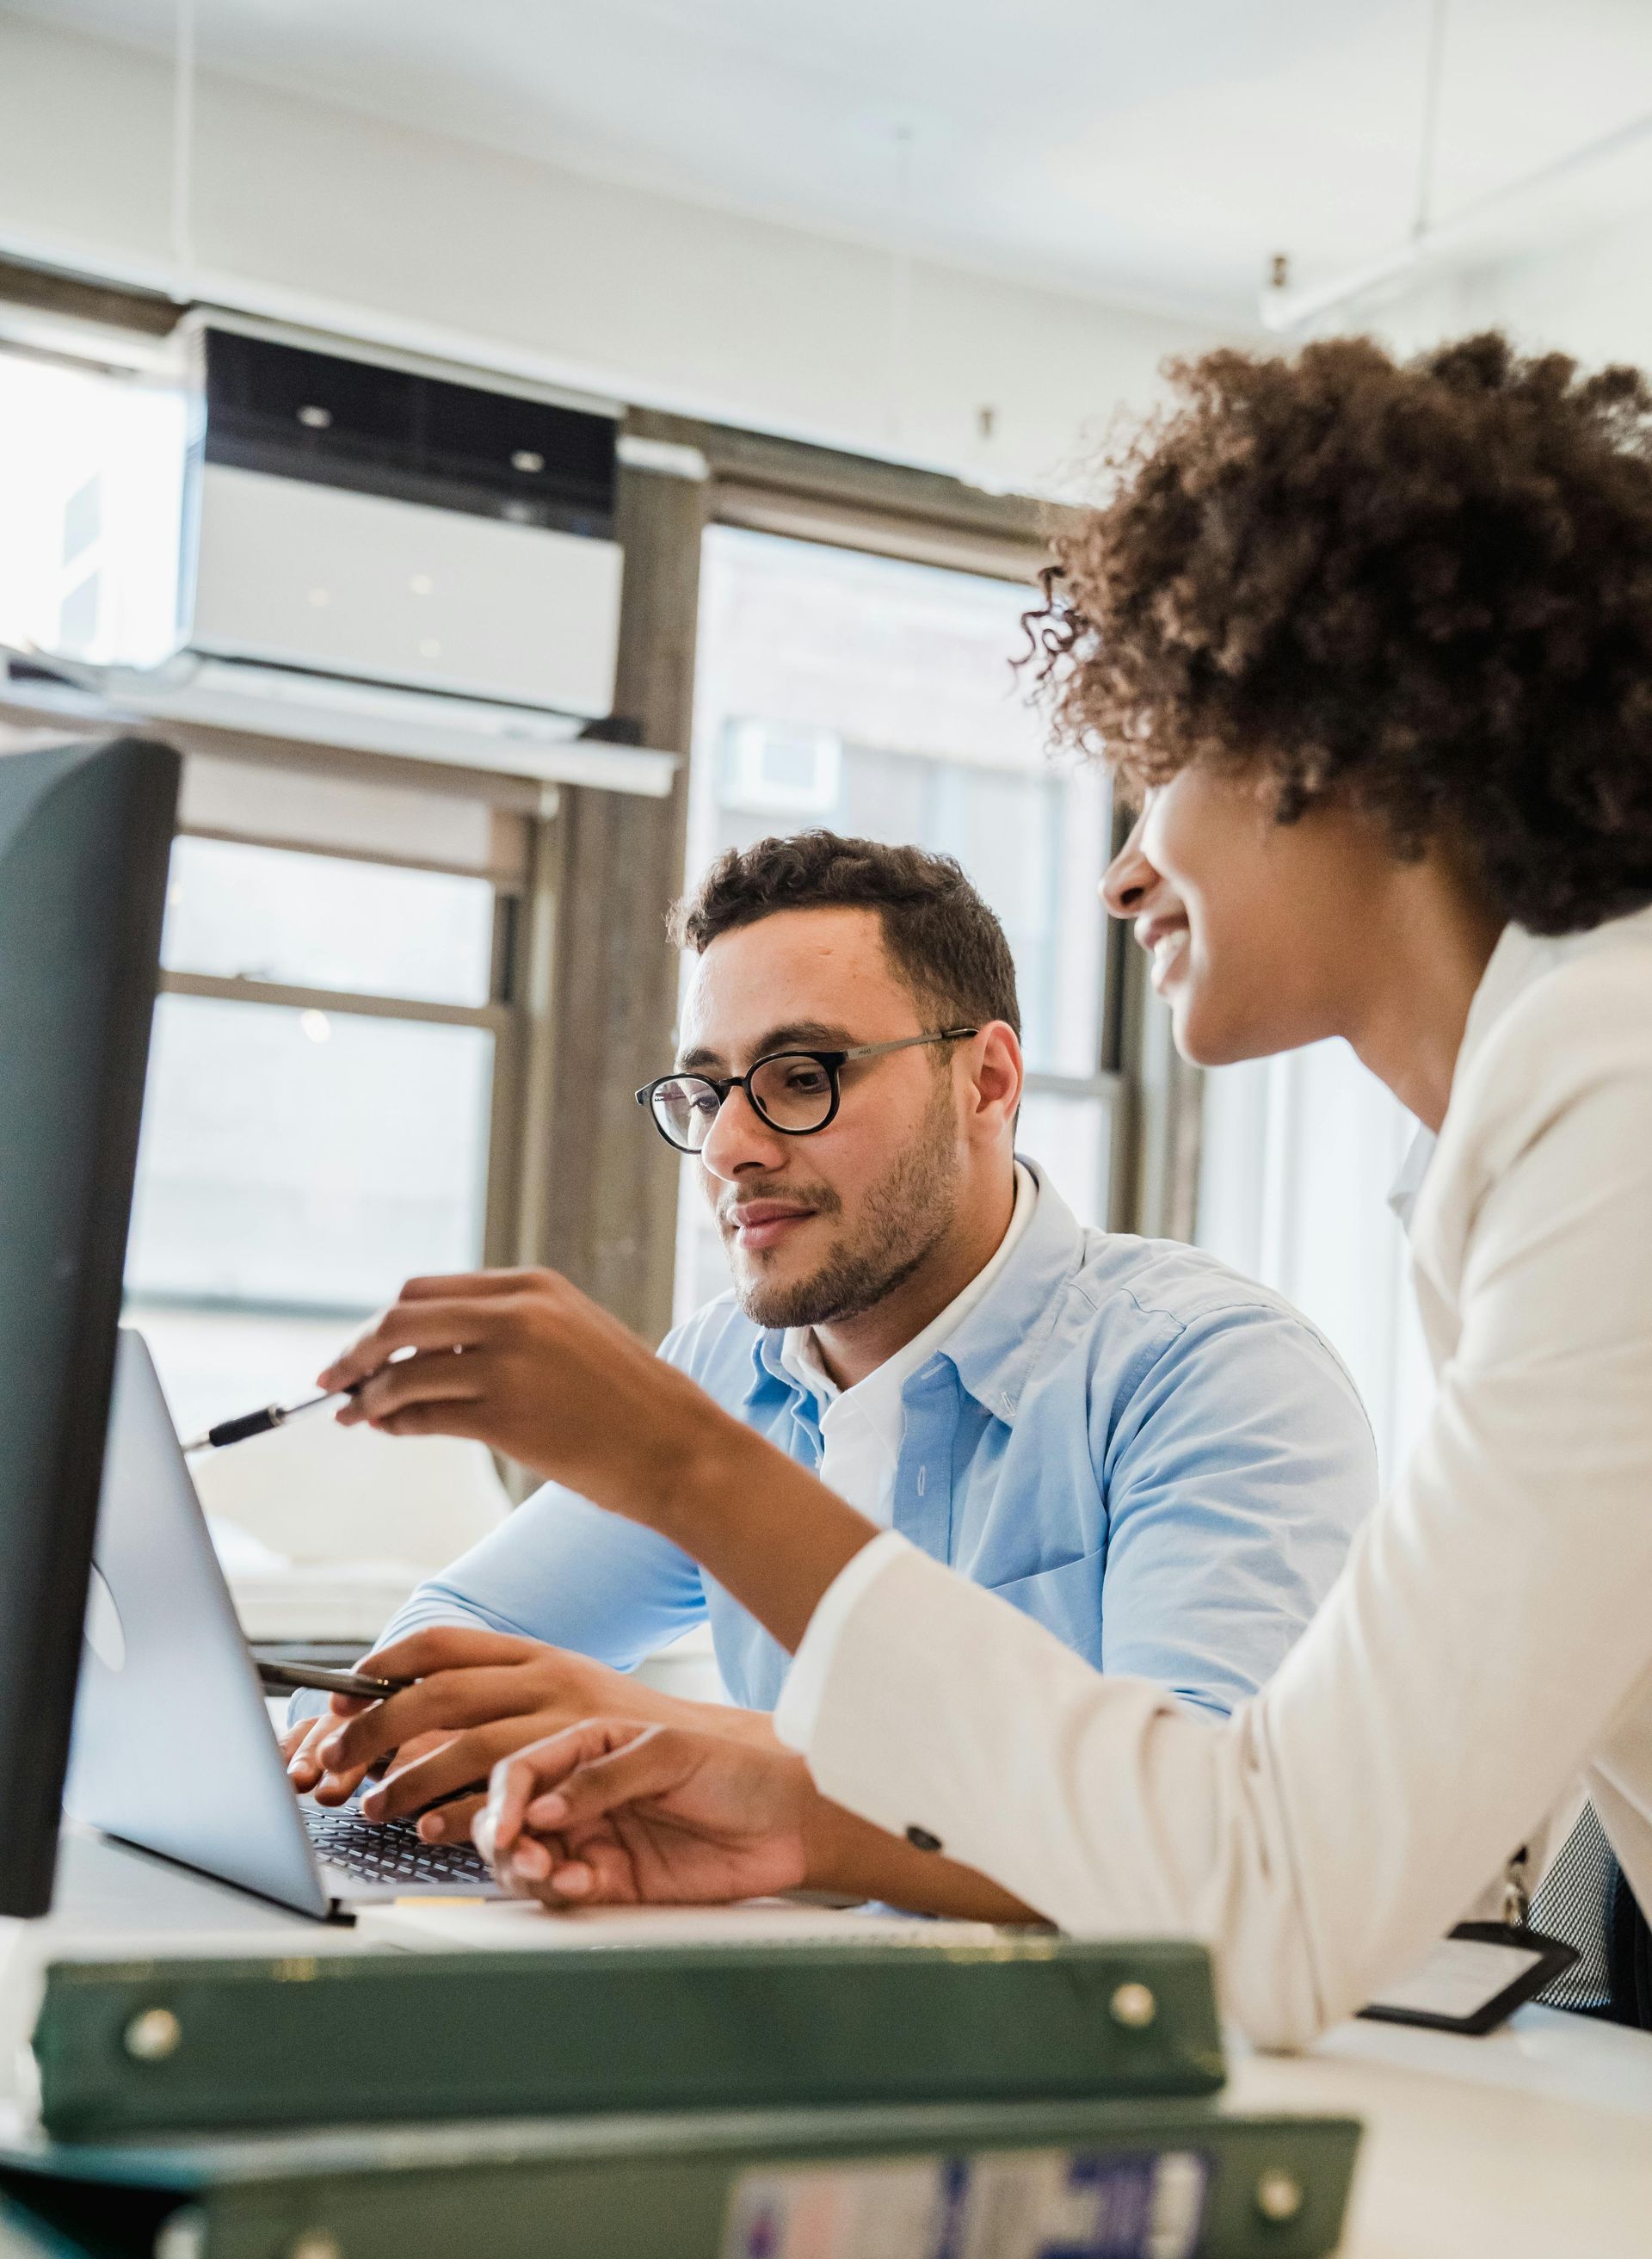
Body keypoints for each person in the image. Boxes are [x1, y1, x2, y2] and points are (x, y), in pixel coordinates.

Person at [320, 331, 1652, 2046]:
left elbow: (1275, 1893)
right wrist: (790, 1808)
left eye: (1166, 755)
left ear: (1360, 738)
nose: (1120, 871)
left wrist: (678, 1467)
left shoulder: (1603, 1089)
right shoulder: (1533, 1111)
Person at [289, 832, 1375, 1912]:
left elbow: (1204, 1848)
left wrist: (685, 1740)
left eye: (801, 1078)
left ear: (986, 1082)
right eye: (707, 1094)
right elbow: (463, 1645)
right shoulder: (728, 1364)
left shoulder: (1209, 1373)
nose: (730, 1149)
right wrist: (349, 1743)